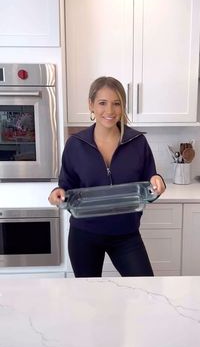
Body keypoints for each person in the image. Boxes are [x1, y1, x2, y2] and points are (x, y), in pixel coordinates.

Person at [48, 76, 166, 277]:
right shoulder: (75, 144)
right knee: (89, 300)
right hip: (84, 234)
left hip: (126, 234)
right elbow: (66, 187)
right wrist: (57, 193)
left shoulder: (138, 142)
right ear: (91, 105)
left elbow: (150, 187)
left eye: (116, 103)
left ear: (123, 107)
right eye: (102, 103)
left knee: (146, 289)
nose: (110, 111)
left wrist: (157, 183)